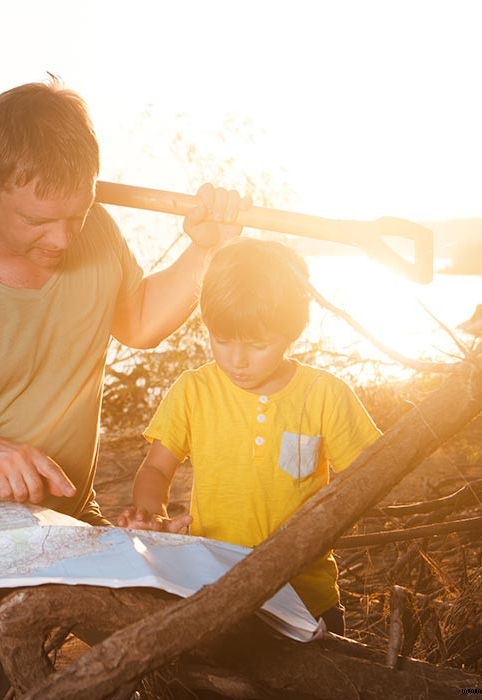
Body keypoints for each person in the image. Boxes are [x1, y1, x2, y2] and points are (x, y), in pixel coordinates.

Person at [0, 77, 249, 699]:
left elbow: (139, 321)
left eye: (78, 213)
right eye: (39, 220)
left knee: (179, 657)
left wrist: (205, 250)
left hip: (70, 521)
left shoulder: (95, 234)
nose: (63, 239)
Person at [117, 237, 381, 635]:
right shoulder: (194, 391)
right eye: (221, 341)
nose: (236, 361)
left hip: (307, 598)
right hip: (215, 589)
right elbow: (156, 467)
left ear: (292, 331)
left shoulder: (325, 395)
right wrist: (152, 513)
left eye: (257, 345)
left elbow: (367, 481)